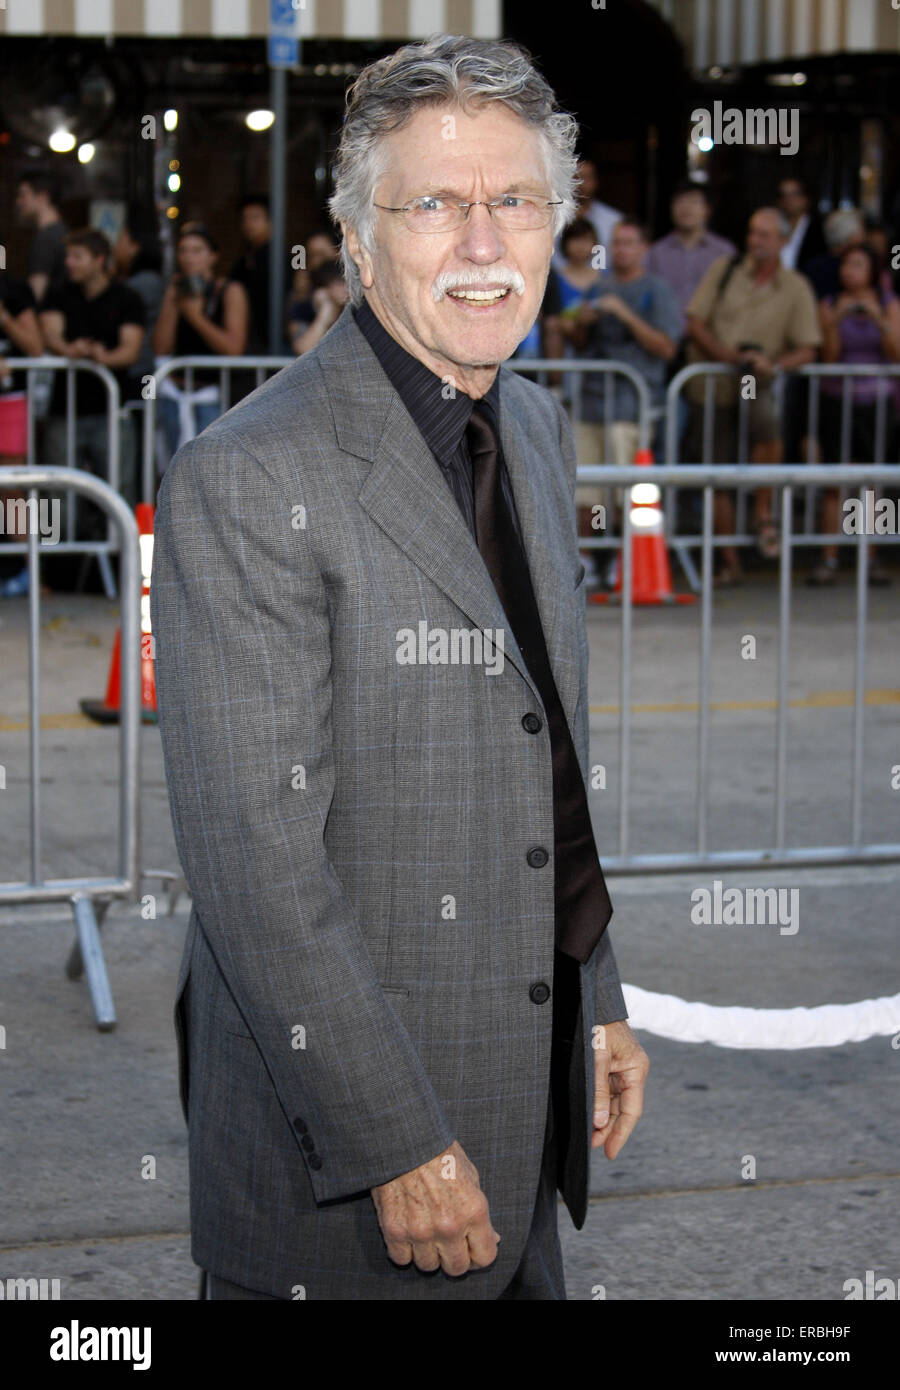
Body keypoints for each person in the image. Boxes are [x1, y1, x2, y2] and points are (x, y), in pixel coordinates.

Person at [151, 33, 647, 1303]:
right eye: (434, 203)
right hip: (357, 1179)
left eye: (516, 201)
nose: (484, 244)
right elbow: (255, 862)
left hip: (522, 1113)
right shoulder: (251, 477)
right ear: (359, 240)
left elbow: (551, 754)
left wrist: (593, 990)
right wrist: (397, 1144)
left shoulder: (532, 425)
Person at [685, 207, 821, 586]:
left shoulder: (796, 286)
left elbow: (809, 348)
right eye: (752, 232)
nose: (755, 240)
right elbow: (694, 322)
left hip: (756, 382)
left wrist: (771, 364)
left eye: (764, 234)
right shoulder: (725, 269)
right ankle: (730, 560)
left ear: (782, 240)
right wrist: (728, 356)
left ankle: (763, 516)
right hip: (711, 383)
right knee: (716, 472)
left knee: (769, 429)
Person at [567, 217, 682, 581]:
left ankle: (623, 560)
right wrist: (582, 323)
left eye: (629, 243)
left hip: (633, 404)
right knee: (585, 490)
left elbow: (666, 347)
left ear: (645, 249)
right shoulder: (597, 288)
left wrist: (624, 314)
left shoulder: (657, 289)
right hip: (591, 400)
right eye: (616, 243)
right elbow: (579, 344)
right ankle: (585, 562)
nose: (621, 250)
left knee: (626, 491)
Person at [808, 241, 899, 587]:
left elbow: (896, 354)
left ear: (873, 271)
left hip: (875, 399)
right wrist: (836, 322)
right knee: (834, 481)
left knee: (872, 483)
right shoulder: (829, 304)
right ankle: (828, 558)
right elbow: (828, 358)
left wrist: (878, 319)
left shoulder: (889, 304)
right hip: (837, 398)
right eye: (846, 265)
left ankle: (870, 557)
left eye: (858, 265)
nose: (850, 272)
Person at [39, 228, 145, 511]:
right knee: (58, 490)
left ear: (99, 260)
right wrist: (70, 351)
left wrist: (102, 357)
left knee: (118, 489)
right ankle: (59, 554)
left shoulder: (126, 297)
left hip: (111, 408)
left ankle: (121, 553)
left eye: (77, 256)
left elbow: (131, 350)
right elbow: (50, 336)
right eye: (68, 256)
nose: (69, 262)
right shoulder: (59, 293)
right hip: (66, 408)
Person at [152, 223, 249, 464]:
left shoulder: (229, 290)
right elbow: (161, 347)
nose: (188, 257)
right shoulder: (176, 291)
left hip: (214, 395)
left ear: (212, 256)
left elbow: (233, 348)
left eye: (197, 251)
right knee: (174, 468)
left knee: (212, 466)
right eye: (183, 251)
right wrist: (173, 302)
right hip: (177, 393)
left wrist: (195, 317)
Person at [0, 267, 45, 597]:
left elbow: (34, 347)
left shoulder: (13, 288)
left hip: (9, 401)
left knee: (12, 490)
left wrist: (4, 318)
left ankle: (32, 573)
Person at [645, 180, 736, 315]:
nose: (686, 207)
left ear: (707, 209)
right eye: (680, 202)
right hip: (666, 332)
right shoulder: (657, 252)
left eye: (693, 202)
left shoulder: (724, 252)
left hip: (708, 331)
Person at [112, 205, 164, 401]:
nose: (116, 246)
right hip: (141, 370)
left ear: (135, 246)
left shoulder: (142, 284)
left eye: (120, 239)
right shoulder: (145, 281)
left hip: (142, 372)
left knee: (143, 421)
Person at [551, 157, 622, 276]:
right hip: (558, 287)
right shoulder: (550, 216)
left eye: (587, 178)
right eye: (576, 178)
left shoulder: (614, 221)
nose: (581, 184)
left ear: (596, 182)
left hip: (603, 286)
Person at [15, 171, 68, 305]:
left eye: (23, 195)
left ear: (42, 197)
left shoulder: (46, 239)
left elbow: (35, 295)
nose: (18, 202)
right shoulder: (63, 232)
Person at [285, 230, 341, 341]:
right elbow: (302, 348)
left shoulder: (355, 288)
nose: (317, 262)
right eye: (312, 256)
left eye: (322, 254)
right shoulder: (303, 296)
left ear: (338, 254)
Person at [289, 261, 349, 355]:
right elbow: (303, 351)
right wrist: (324, 316)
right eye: (339, 283)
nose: (346, 289)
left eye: (347, 282)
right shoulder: (303, 310)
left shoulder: (355, 309)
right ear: (321, 290)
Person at [776, 176, 826, 271]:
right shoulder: (773, 226)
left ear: (805, 199)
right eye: (784, 195)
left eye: (794, 194)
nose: (789, 200)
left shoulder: (818, 228)